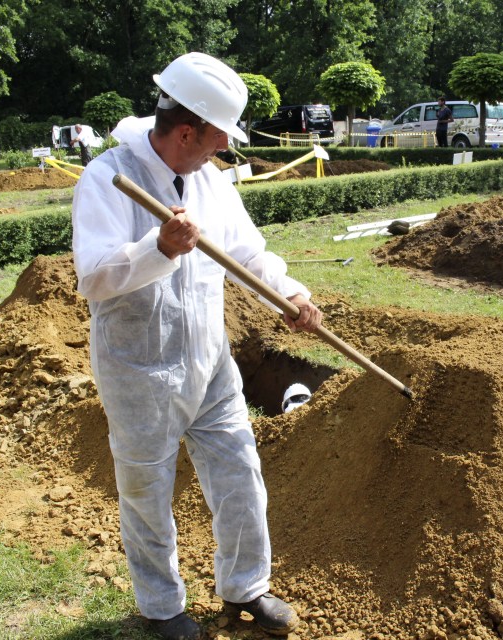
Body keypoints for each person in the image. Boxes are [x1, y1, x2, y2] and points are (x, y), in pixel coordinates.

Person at [71, 52, 322, 640]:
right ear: (188, 131)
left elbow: (249, 256)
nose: (222, 150)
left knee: (239, 474)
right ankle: (162, 608)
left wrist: (290, 295)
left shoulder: (210, 183)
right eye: (217, 138)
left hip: (210, 362)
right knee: (146, 493)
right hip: (139, 369)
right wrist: (158, 248)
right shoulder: (108, 180)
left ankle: (246, 587)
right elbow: (95, 278)